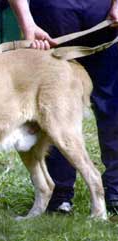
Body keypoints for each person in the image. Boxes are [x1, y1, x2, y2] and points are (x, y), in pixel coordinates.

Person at [9, 0, 118, 214]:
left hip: (104, 15)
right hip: (53, 14)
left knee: (113, 106)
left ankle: (115, 190)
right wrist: (27, 23)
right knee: (51, 111)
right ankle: (59, 195)